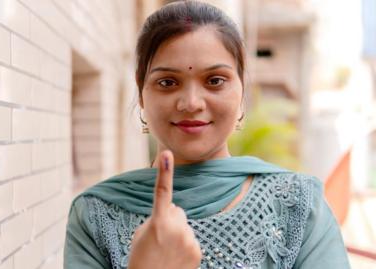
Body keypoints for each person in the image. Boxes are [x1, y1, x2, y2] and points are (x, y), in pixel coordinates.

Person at [63, 1, 351, 268]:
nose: (191, 103)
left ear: (241, 91)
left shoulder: (298, 206)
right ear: (141, 93)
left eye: (214, 81)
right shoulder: (96, 215)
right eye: (167, 82)